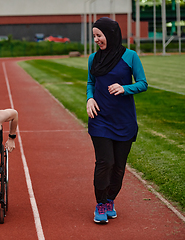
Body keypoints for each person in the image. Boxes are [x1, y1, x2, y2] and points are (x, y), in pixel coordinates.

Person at [86, 17, 148, 224]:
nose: (96, 39)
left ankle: (110, 199)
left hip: (124, 120)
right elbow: (90, 82)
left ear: (110, 34)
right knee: (105, 162)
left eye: (99, 35)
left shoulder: (130, 56)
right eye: (94, 35)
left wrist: (125, 88)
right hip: (100, 118)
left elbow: (142, 83)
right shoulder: (93, 58)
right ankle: (101, 203)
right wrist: (89, 98)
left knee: (119, 166)